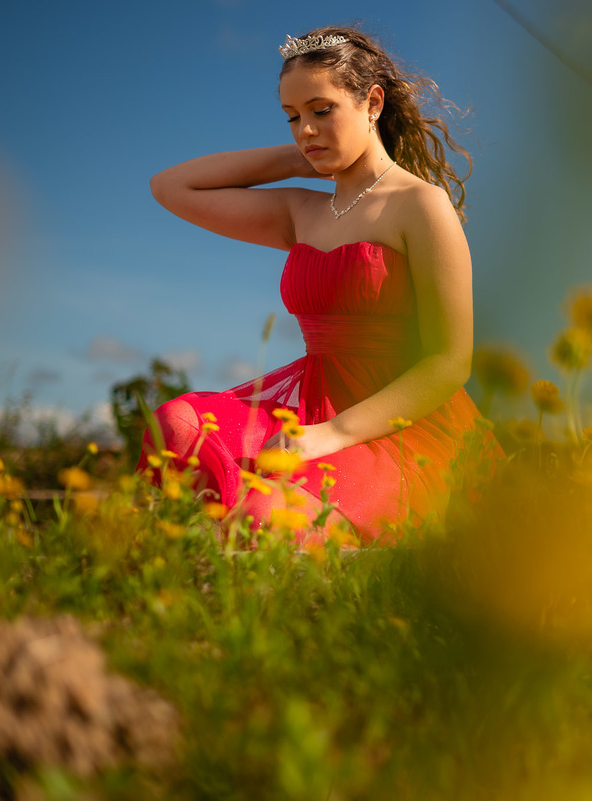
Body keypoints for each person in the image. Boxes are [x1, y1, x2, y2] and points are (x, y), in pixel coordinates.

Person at [140, 26, 503, 547]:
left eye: (322, 109)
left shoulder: (421, 205)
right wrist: (306, 154)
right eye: (293, 117)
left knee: (268, 518)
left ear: (372, 101)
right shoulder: (300, 210)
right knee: (176, 424)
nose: (305, 129)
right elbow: (171, 187)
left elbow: (450, 362)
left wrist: (330, 437)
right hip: (305, 406)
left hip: (397, 426)